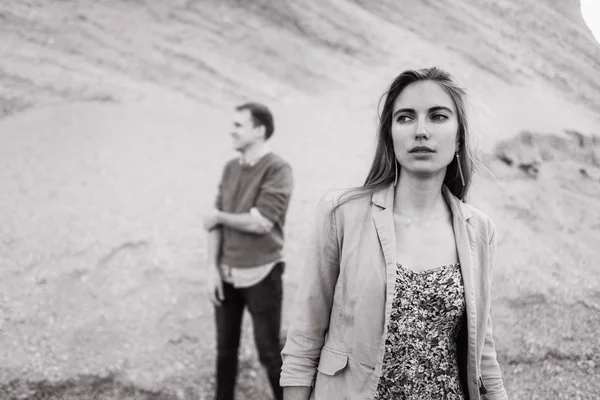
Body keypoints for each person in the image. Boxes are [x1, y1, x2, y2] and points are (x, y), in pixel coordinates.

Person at [280, 67, 508, 400]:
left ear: (459, 136)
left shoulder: (479, 230)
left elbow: (482, 350)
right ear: (390, 135)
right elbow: (304, 339)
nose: (421, 131)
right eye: (405, 118)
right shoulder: (341, 214)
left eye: (438, 117)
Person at [204, 102, 293, 400]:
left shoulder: (278, 169)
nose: (232, 130)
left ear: (259, 130)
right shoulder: (230, 168)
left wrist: (219, 217)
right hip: (226, 275)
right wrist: (212, 270)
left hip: (262, 273)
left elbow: (261, 223)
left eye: (238, 125)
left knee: (269, 352)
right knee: (225, 351)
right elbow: (213, 223)